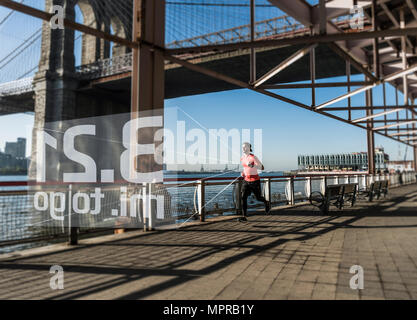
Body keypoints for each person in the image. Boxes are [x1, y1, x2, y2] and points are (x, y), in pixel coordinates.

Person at [239, 142, 270, 222]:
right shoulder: (242, 158)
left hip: (255, 181)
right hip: (246, 180)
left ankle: (266, 203)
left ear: (249, 148)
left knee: (258, 197)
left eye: (245, 147)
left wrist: (254, 166)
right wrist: (243, 173)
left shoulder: (253, 157)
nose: (243, 148)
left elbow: (262, 167)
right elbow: (245, 168)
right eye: (242, 147)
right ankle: (244, 216)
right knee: (243, 197)